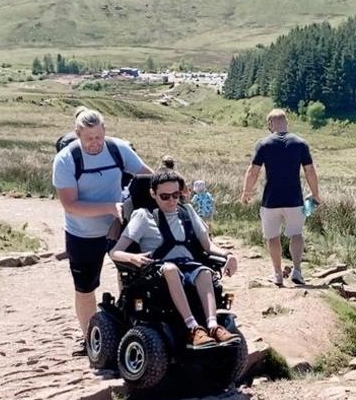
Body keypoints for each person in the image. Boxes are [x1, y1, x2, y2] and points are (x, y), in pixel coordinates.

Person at [52, 106, 152, 354]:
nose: (95, 144)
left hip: (120, 229)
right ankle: (90, 339)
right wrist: (110, 207)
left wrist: (171, 186)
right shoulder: (66, 160)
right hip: (82, 232)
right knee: (85, 287)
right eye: (88, 139)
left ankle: (131, 329)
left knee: (131, 280)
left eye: (98, 137)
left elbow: (146, 177)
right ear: (77, 134)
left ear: (104, 130)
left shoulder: (118, 149)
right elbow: (70, 204)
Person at [110, 170, 238, 347]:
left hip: (188, 266)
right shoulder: (143, 215)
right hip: (157, 270)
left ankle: (213, 325)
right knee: (170, 269)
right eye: (165, 196)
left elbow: (207, 245)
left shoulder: (188, 212)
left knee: (204, 272)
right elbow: (115, 252)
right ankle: (193, 328)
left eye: (176, 195)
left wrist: (228, 255)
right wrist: (132, 257)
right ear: (153, 194)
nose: (171, 201)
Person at [241, 109, 321, 286]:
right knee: (296, 234)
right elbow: (310, 170)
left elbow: (253, 171)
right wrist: (315, 194)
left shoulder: (263, 143)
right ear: (286, 122)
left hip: (271, 200)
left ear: (270, 124)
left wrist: (246, 192)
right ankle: (297, 271)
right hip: (295, 199)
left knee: (272, 237)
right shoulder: (301, 143)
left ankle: (277, 274)